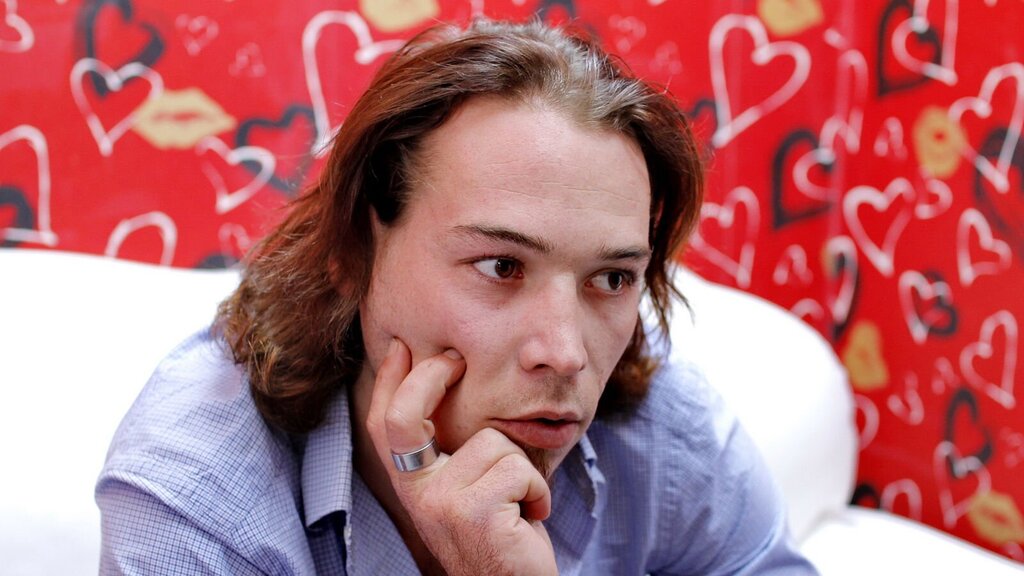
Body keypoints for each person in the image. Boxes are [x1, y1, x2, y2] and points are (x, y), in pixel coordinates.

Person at [96, 18, 817, 575]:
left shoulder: (663, 429)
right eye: (502, 266)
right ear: (353, 254)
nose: (566, 354)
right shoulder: (195, 492)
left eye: (610, 279)